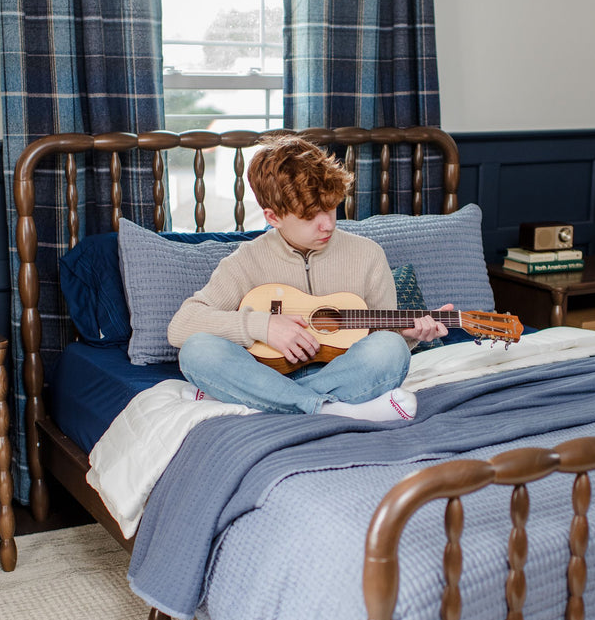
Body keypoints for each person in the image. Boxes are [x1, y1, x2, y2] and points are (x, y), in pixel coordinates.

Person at [167, 135, 451, 422]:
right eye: (309, 216)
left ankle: (269, 401)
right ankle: (330, 409)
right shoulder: (247, 260)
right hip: (262, 372)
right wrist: (263, 325)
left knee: (391, 350)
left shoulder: (368, 255)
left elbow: (382, 338)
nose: (327, 224)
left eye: (330, 207)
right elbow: (181, 325)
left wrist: (408, 336)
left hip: (340, 375)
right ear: (273, 217)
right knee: (197, 350)